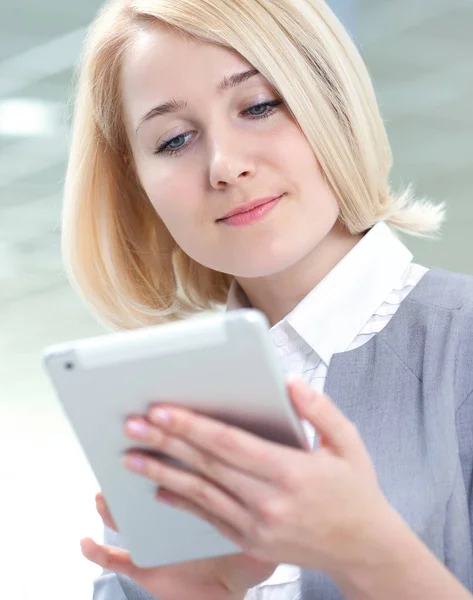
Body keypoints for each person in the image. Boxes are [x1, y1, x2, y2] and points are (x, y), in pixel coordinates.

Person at [62, 0, 473, 598]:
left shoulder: (460, 344)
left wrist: (369, 552)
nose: (225, 167)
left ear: (333, 104)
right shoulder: (164, 412)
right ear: (137, 183)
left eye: (258, 106)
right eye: (173, 140)